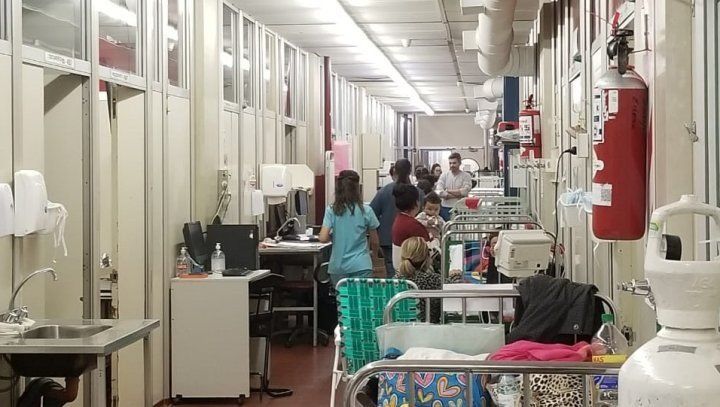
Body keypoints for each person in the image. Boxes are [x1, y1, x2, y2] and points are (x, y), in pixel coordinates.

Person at [319, 170, 380, 287]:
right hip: (361, 265)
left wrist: (335, 237)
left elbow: (323, 238)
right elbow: (375, 241)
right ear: (357, 189)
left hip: (338, 266)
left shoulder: (331, 210)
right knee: (361, 298)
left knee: (343, 298)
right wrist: (375, 259)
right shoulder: (366, 210)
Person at [370, 159, 422, 278]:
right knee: (413, 272)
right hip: (413, 240)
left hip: (388, 238)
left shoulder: (383, 192)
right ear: (410, 171)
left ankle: (395, 288)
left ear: (394, 171)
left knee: (392, 271)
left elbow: (371, 214)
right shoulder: (417, 193)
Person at [397, 237, 441, 323]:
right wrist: (455, 275)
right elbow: (456, 289)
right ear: (427, 257)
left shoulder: (393, 282)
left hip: (399, 329)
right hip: (428, 329)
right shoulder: (434, 280)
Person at [391, 183, 429, 270]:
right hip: (414, 270)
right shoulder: (413, 225)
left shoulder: (399, 220)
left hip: (402, 269)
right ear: (416, 203)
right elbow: (427, 250)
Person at [436, 152, 473, 221]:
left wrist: (447, 191)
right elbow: (439, 191)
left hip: (461, 208)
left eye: (454, 163)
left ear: (459, 163)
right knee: (446, 226)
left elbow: (465, 191)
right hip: (445, 208)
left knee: (460, 226)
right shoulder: (444, 175)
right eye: (450, 163)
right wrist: (459, 194)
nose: (452, 165)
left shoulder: (466, 176)